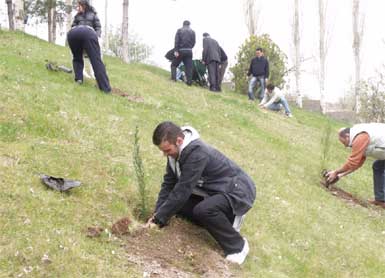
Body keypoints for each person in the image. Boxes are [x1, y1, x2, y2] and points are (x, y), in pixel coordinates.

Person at [147, 121, 256, 265]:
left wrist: (158, 220)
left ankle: (237, 246)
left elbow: (183, 189)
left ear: (179, 141)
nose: (164, 155)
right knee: (177, 205)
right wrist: (158, 214)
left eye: (167, 151)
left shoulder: (197, 153)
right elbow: (169, 184)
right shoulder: (175, 154)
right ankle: (216, 221)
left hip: (238, 191)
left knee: (203, 210)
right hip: (216, 190)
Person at [326, 124, 385, 208]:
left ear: (347, 136)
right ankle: (380, 200)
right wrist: (339, 175)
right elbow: (358, 163)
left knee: (378, 166)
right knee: (378, 166)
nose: (345, 146)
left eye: (344, 142)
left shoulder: (360, 138)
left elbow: (352, 162)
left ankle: (381, 199)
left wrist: (335, 172)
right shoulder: (358, 134)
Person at [67, 0, 111, 93]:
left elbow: (98, 28)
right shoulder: (77, 16)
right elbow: (73, 25)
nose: (78, 8)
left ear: (85, 5)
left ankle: (79, 78)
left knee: (77, 57)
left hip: (73, 35)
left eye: (79, 6)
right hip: (85, 34)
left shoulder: (93, 15)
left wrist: (97, 37)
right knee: (96, 60)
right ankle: (105, 88)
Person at [171, 20, 196, 86]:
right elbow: (194, 42)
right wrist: (190, 48)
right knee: (189, 68)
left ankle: (173, 79)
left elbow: (176, 41)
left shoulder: (179, 30)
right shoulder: (193, 32)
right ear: (189, 25)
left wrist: (176, 50)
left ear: (183, 24)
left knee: (173, 65)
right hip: (189, 51)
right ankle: (189, 82)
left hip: (181, 51)